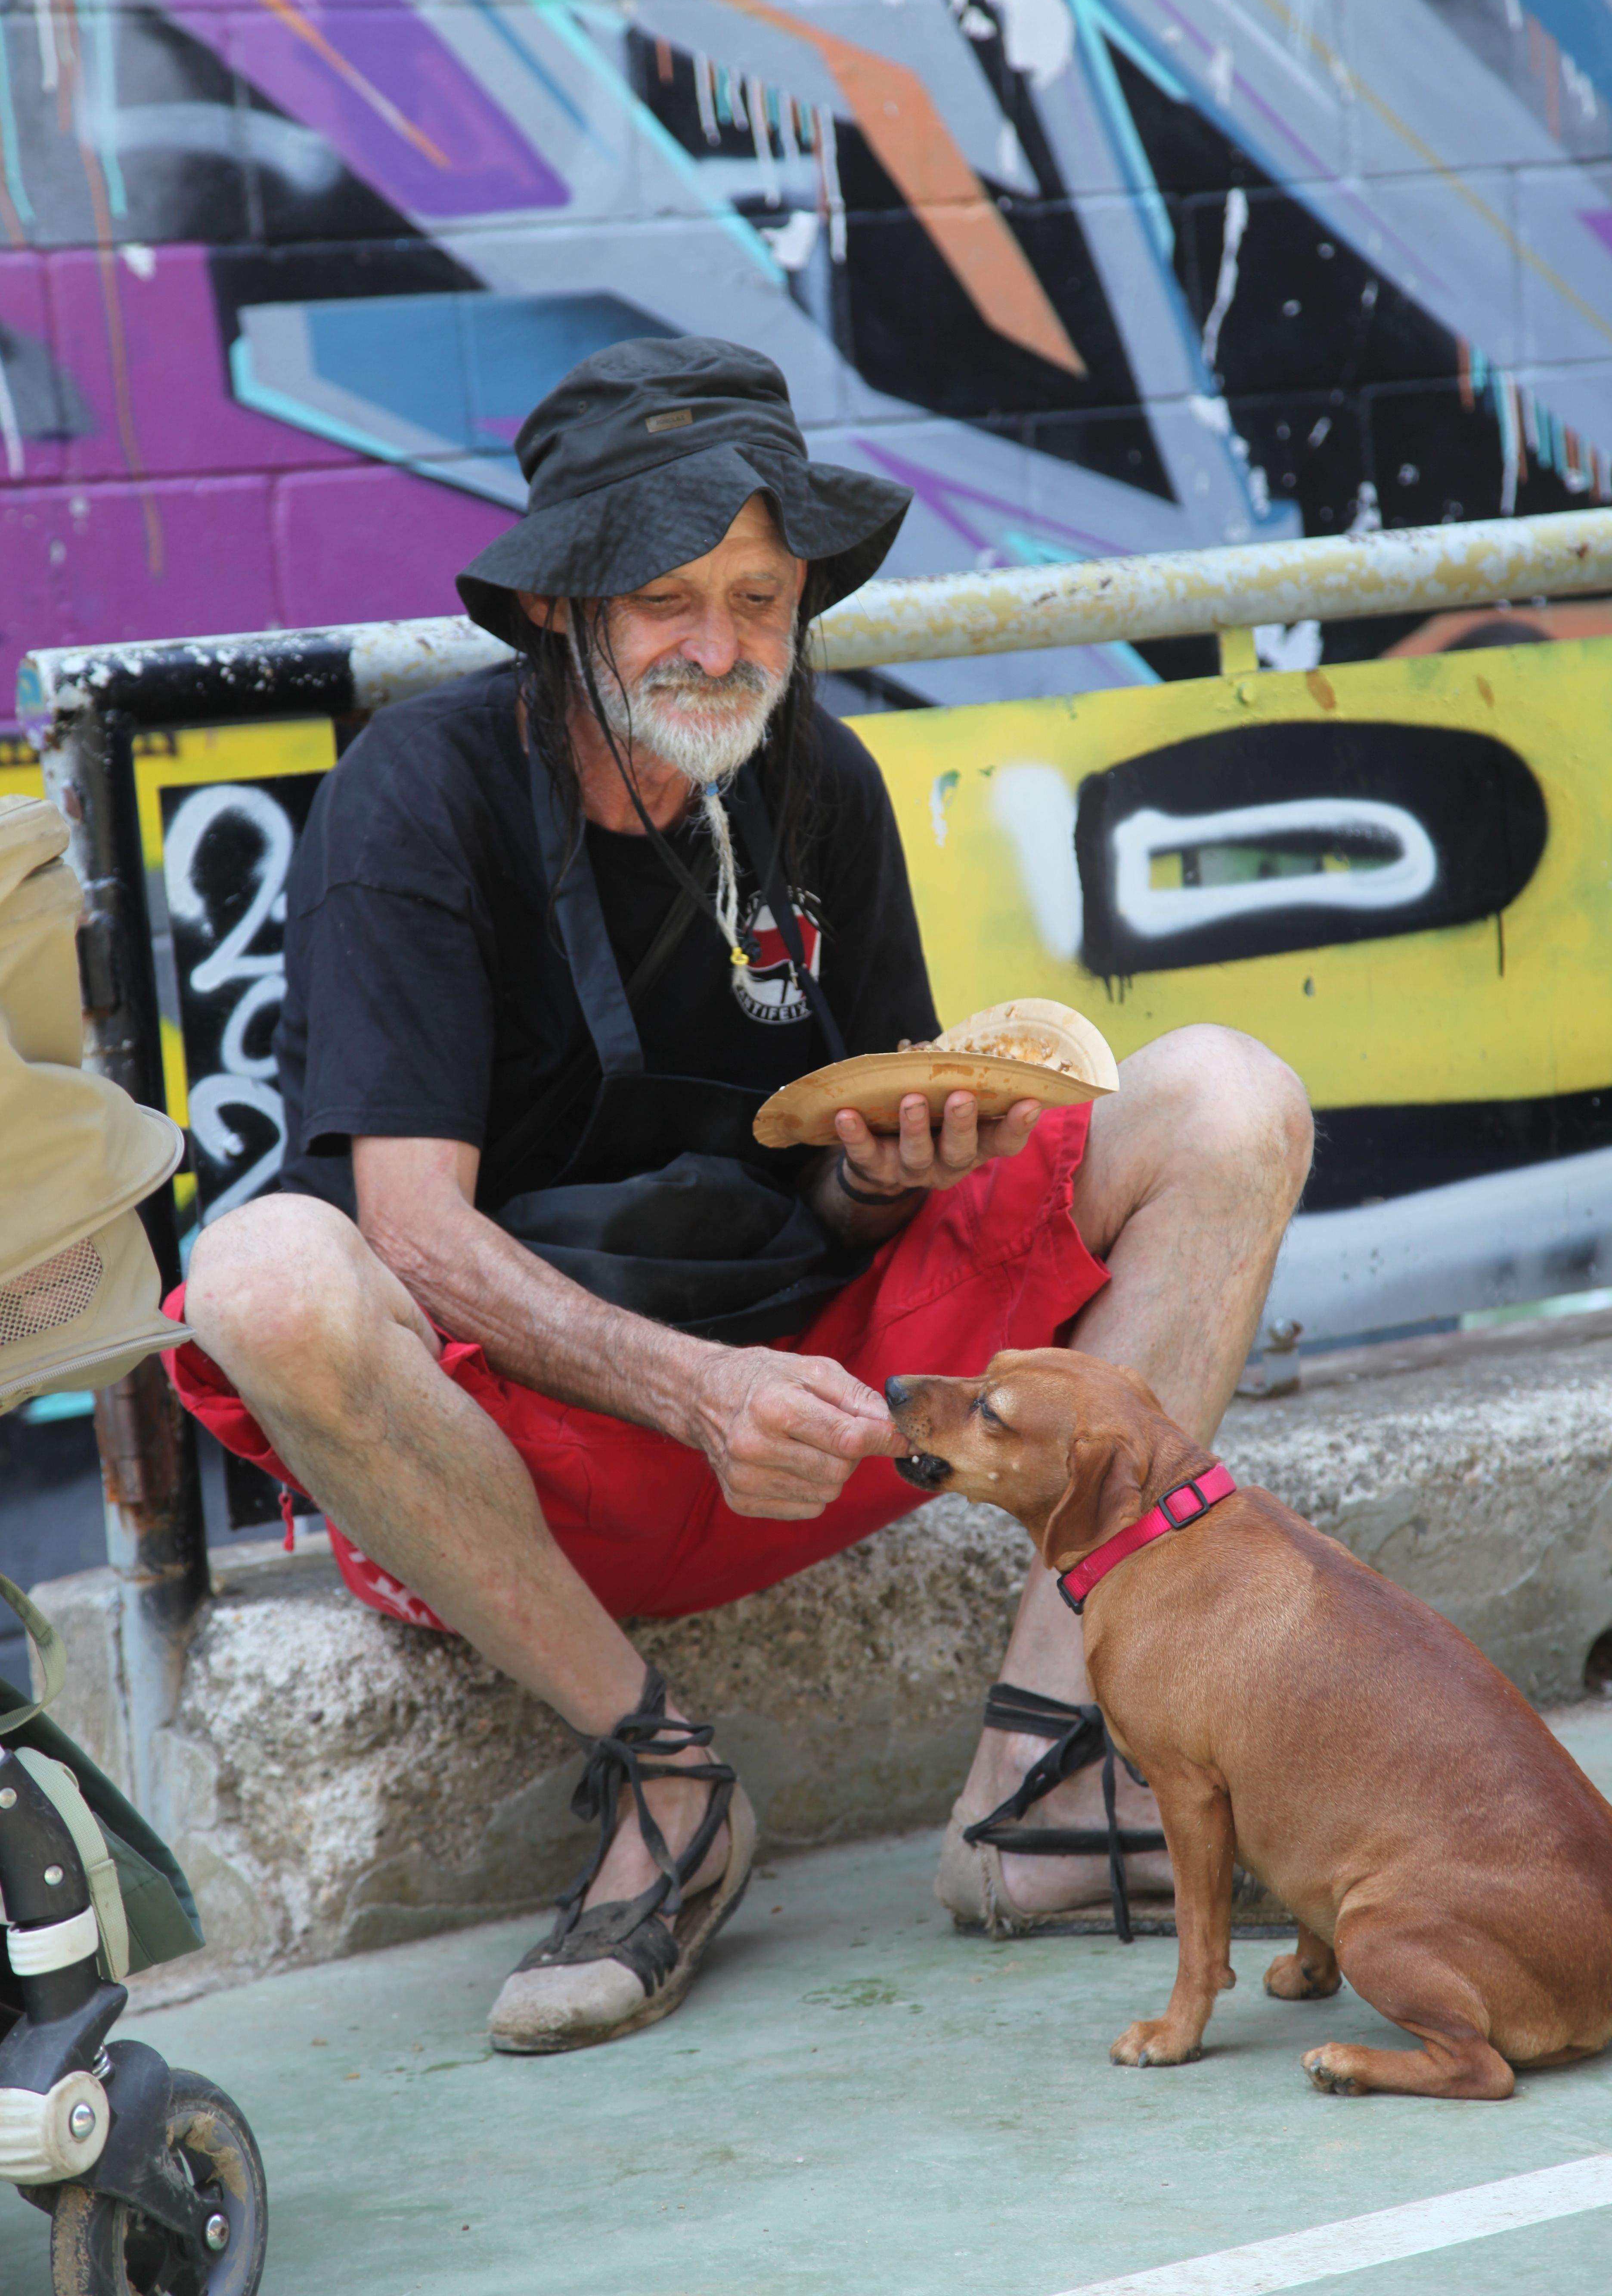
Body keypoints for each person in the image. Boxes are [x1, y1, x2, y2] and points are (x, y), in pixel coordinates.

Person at [163, 338, 1312, 2054]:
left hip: (827, 1399)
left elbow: (860, 1187)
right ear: (563, 609)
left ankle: (1047, 1781)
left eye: (761, 598)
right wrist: (693, 1388)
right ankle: (668, 1789)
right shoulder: (420, 797)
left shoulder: (816, 785)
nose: (722, 645)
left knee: (1233, 1094)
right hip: (543, 1449)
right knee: (263, 1271)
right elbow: (406, 1228)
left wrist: (877, 1182)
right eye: (670, 599)